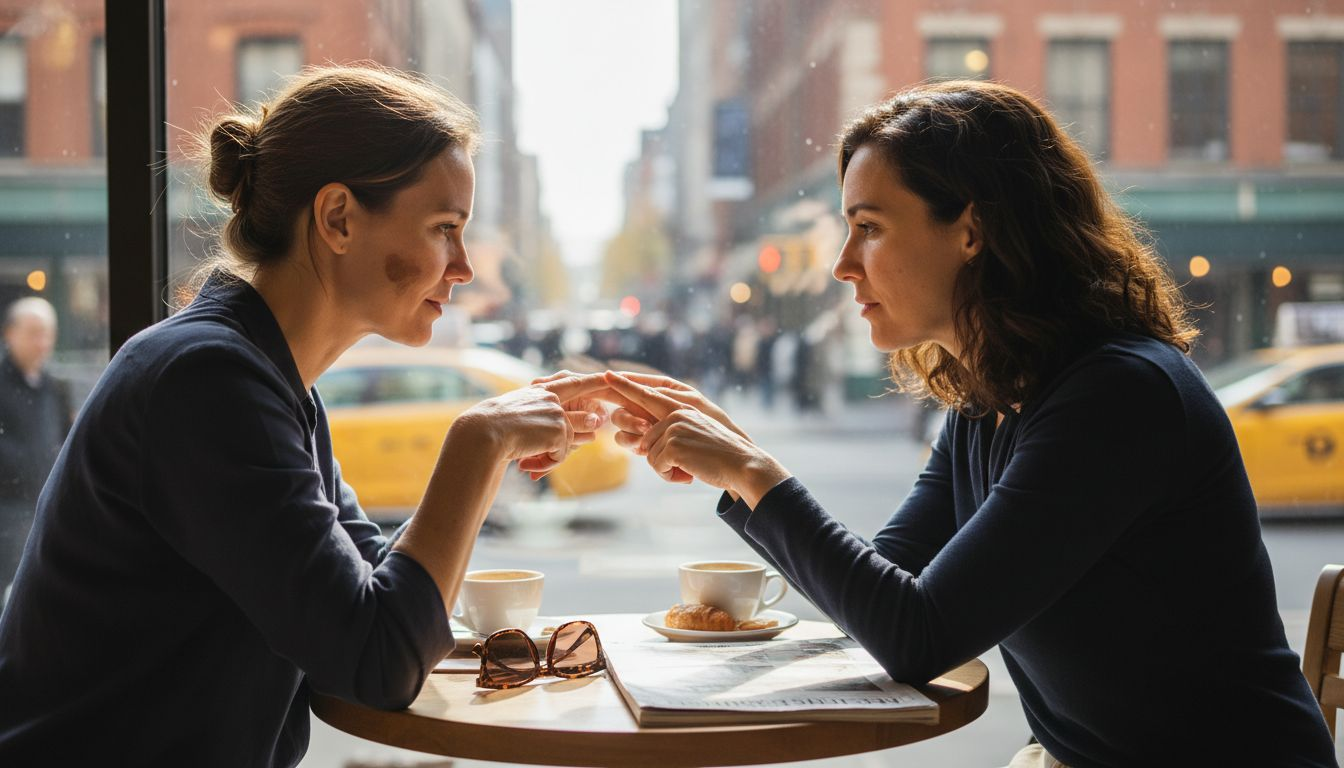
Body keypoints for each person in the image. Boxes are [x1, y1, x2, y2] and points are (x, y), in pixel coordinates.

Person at [602, 81, 1338, 766]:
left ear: (971, 231)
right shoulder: (989, 398)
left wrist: (751, 472)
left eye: (869, 228)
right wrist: (735, 458)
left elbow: (916, 635)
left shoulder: (1120, 395)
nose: (842, 265)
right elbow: (881, 590)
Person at [0, 66, 607, 766]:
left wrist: (489, 450)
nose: (464, 266)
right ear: (338, 218)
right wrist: (479, 441)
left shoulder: (271, 383)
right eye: (445, 228)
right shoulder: (208, 381)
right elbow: (379, 659)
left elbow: (375, 597)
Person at [0, 297, 72, 605]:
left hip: (43, 504)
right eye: (33, 333)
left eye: (47, 334)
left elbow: (65, 439)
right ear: (9, 333)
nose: (42, 343)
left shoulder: (55, 387)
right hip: (6, 508)